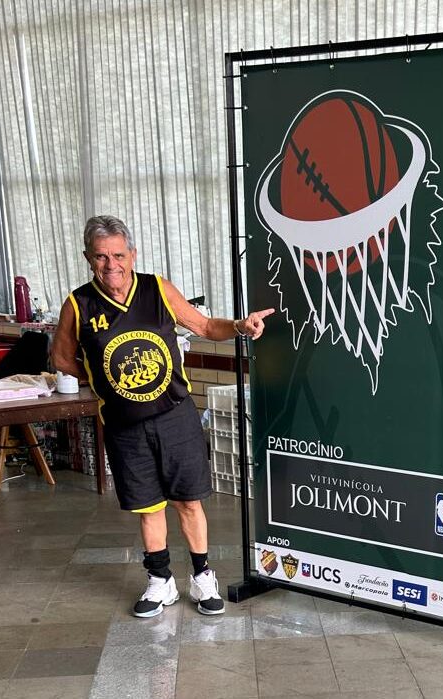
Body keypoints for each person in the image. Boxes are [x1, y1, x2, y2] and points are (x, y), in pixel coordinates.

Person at [51, 215, 273, 617]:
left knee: (188, 502)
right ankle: (160, 580)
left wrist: (240, 326)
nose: (111, 265)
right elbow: (62, 357)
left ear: (132, 254)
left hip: (175, 416)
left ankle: (203, 577)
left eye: (118, 254)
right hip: (124, 427)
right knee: (148, 507)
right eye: (101, 257)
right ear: (88, 258)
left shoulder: (156, 289)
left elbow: (204, 325)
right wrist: (104, 381)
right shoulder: (78, 304)